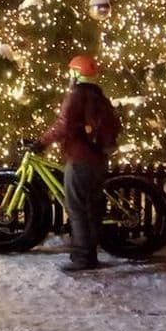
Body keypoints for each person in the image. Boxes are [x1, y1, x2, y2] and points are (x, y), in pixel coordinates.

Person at [34, 55, 121, 272]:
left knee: (76, 207)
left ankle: (84, 258)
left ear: (75, 73)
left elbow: (63, 125)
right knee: (90, 207)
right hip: (99, 158)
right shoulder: (99, 96)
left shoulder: (76, 94)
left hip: (81, 158)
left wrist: (41, 143)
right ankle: (90, 253)